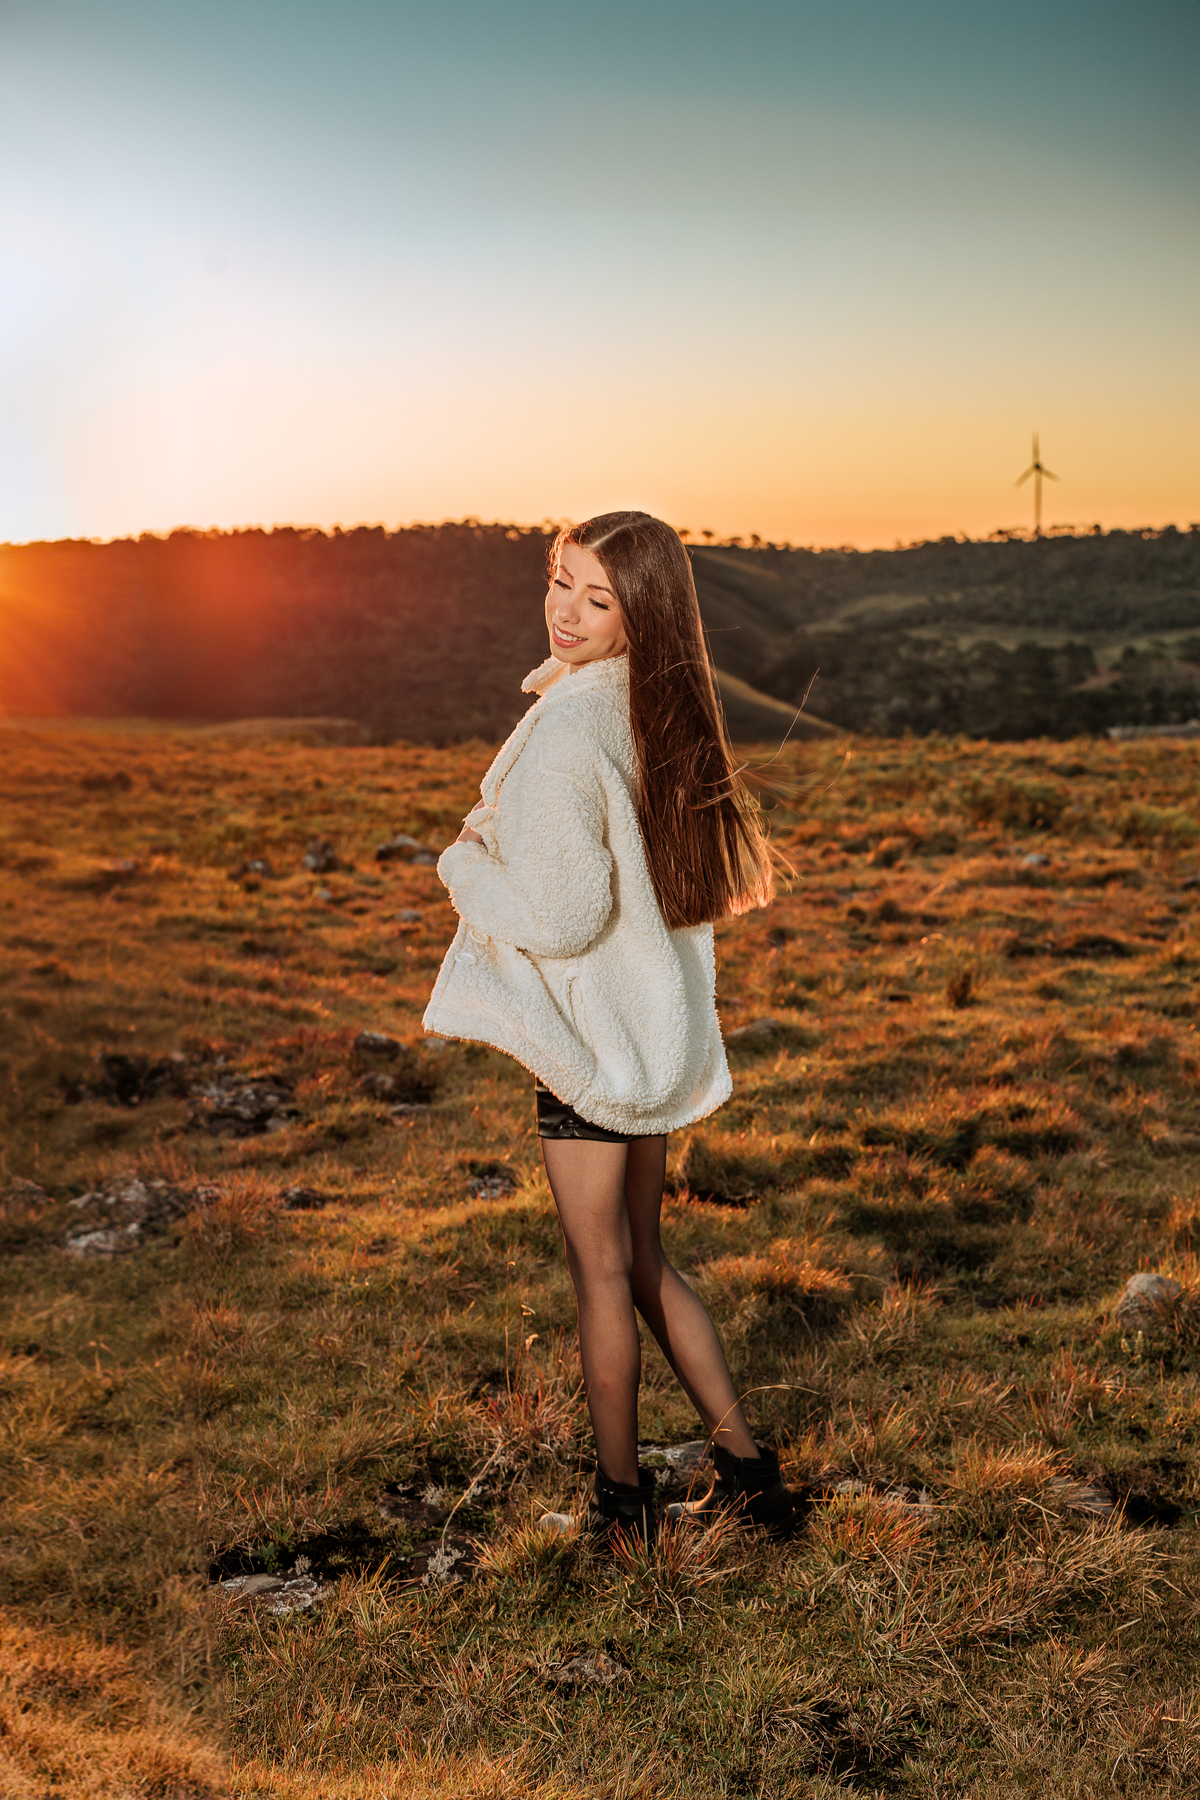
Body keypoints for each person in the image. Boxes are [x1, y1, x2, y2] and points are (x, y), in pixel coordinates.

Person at [424, 511, 801, 1545]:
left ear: (643, 615)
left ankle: (621, 1507)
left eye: (599, 599)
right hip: (647, 1035)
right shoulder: (657, 707)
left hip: (592, 1049)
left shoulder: (569, 732)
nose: (567, 612)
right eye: (561, 581)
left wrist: (462, 864)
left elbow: (560, 914)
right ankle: (752, 1478)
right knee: (643, 1263)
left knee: (602, 1273)